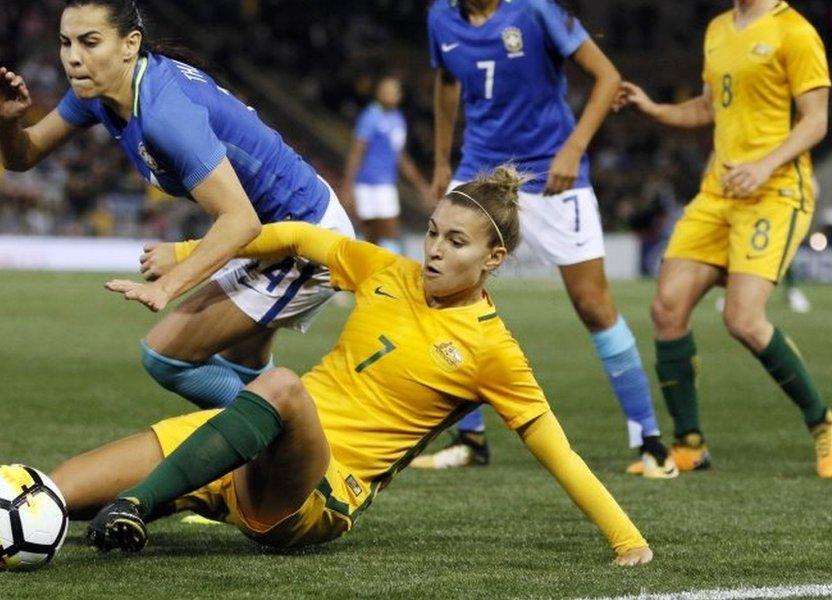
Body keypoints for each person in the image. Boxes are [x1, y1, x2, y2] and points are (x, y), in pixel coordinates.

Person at [53, 167, 653, 566]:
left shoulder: (494, 352)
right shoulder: (387, 272)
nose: (436, 250)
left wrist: (628, 540)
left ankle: (139, 504)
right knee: (46, 496)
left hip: (314, 496)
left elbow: (560, 452)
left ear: (494, 258)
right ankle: (88, 507)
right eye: (433, 232)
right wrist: (187, 253)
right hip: (249, 440)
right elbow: (293, 235)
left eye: (457, 242)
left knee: (281, 384)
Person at [0, 0, 353, 411]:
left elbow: (239, 221)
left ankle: (293, 441)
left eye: (90, 42)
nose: (73, 57)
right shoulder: (97, 94)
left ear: (130, 44)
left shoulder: (165, 113)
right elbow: (22, 156)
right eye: (65, 42)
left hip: (304, 237)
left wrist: (169, 283)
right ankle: (280, 459)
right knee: (243, 367)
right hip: (275, 230)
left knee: (165, 356)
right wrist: (6, 121)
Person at [419, 0, 675, 478]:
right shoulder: (441, 17)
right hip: (481, 171)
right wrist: (440, 162)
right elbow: (447, 83)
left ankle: (651, 442)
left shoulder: (534, 10)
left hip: (553, 176)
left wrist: (573, 150)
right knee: (441, 295)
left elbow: (608, 78)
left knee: (593, 305)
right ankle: (470, 438)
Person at [614, 0, 830, 477]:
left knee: (743, 319)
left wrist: (764, 165)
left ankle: (824, 425)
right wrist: (654, 108)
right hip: (719, 191)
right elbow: (709, 107)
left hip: (774, 191)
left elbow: (816, 119)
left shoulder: (793, 32)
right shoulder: (717, 29)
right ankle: (689, 444)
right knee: (667, 309)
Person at [340, 75, 431, 255]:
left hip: (385, 185)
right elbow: (357, 151)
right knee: (372, 236)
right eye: (385, 90)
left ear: (399, 95)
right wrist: (347, 186)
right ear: (378, 93)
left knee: (389, 234)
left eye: (393, 91)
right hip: (366, 185)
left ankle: (381, 275)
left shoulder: (398, 119)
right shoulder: (370, 116)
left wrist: (422, 186)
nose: (389, 94)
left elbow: (400, 157)